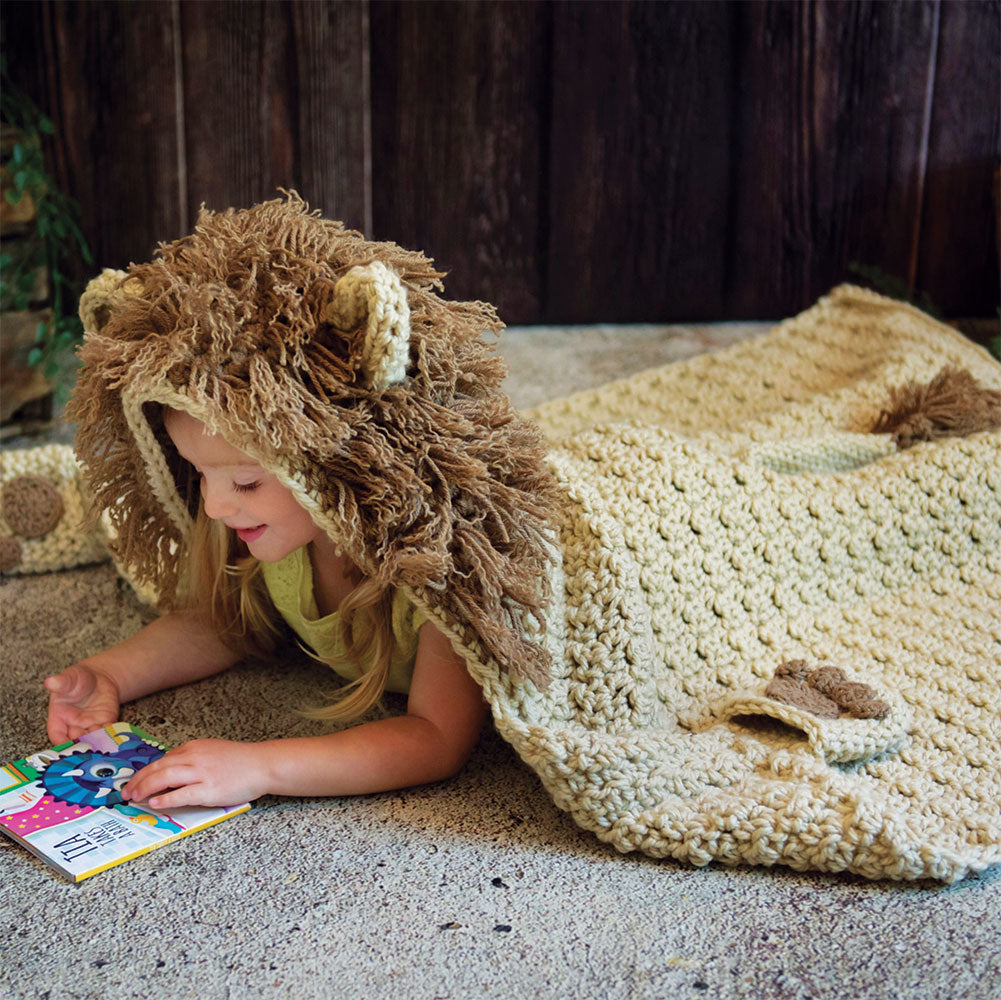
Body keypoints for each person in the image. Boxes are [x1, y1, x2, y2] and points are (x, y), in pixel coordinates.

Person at [43, 194, 559, 811]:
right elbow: (224, 627)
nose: (213, 508)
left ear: (337, 463)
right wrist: (111, 674)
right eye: (201, 475)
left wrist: (261, 766)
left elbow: (436, 738)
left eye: (247, 483)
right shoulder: (276, 533)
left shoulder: (447, 563)